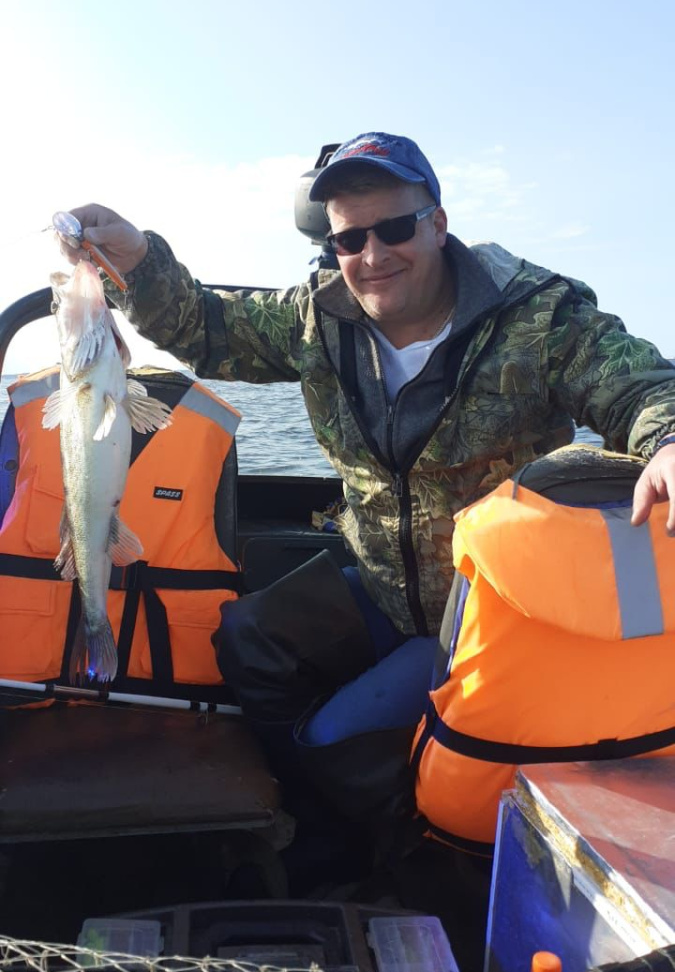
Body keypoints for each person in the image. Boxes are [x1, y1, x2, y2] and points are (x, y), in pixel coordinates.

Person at [59, 131, 675, 830]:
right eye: (350, 240)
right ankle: (319, 817)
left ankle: (393, 842)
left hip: (496, 613)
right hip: (383, 590)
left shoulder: (538, 316)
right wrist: (138, 261)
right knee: (246, 637)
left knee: (331, 741)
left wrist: (668, 441)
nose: (373, 256)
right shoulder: (316, 317)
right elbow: (207, 326)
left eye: (395, 229)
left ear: (437, 224)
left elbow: (641, 385)